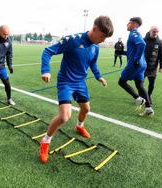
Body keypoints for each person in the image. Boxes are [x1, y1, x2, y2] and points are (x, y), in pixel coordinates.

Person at [39, 16, 114, 164]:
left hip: (80, 82)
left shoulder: (96, 47)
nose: (103, 40)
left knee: (86, 109)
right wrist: (45, 70)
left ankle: (79, 126)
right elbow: (47, 51)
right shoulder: (73, 40)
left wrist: (99, 76)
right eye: (103, 36)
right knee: (64, 116)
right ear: (94, 29)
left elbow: (92, 63)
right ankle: (45, 141)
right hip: (66, 82)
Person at [118, 17, 154, 116]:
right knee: (139, 85)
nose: (127, 25)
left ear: (134, 24)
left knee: (121, 82)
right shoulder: (135, 34)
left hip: (135, 64)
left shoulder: (133, 33)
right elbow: (133, 51)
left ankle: (138, 99)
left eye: (128, 23)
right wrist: (122, 52)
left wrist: (136, 60)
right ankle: (148, 108)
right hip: (141, 65)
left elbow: (142, 44)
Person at [144, 26, 162, 104]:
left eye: (157, 31)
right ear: (150, 31)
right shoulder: (143, 40)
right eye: (154, 31)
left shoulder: (160, 42)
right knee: (140, 83)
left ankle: (149, 95)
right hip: (142, 67)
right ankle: (142, 96)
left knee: (151, 84)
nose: (155, 33)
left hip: (153, 67)